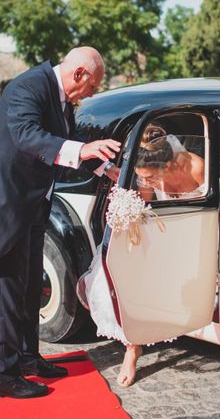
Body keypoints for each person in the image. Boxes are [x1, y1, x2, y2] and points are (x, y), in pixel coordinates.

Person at [0, 46, 121, 399]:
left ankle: (29, 359)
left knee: (31, 289)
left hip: (34, 209)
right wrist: (83, 150)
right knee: (9, 296)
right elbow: (28, 136)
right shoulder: (26, 87)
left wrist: (108, 169)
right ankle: (2, 376)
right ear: (79, 74)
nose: (92, 92)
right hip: (6, 209)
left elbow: (74, 144)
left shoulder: (62, 99)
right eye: (93, 85)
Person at [78, 123, 205, 387]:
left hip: (197, 236)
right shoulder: (146, 175)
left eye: (149, 177)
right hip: (164, 235)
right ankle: (132, 348)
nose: (145, 182)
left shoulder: (197, 168)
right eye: (141, 177)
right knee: (134, 271)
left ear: (168, 166)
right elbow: (145, 212)